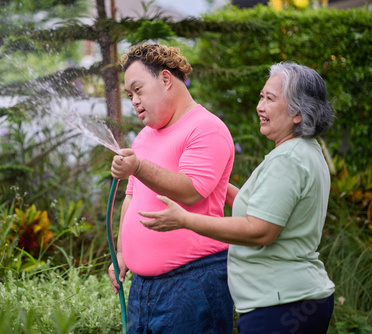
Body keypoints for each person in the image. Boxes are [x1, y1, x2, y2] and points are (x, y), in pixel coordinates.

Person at [139, 62, 336, 333]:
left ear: (298, 113)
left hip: (280, 306)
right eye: (261, 96)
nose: (260, 106)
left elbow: (259, 230)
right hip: (293, 299)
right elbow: (266, 208)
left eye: (270, 99)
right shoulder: (304, 151)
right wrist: (214, 183)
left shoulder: (288, 160)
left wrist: (185, 219)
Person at [109, 43, 235, 333]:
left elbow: (191, 190)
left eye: (138, 90)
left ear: (166, 79)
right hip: (143, 288)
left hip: (193, 284)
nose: (134, 101)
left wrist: (138, 167)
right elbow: (132, 197)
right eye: (129, 95)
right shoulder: (144, 136)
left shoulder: (206, 128)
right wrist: (122, 252)